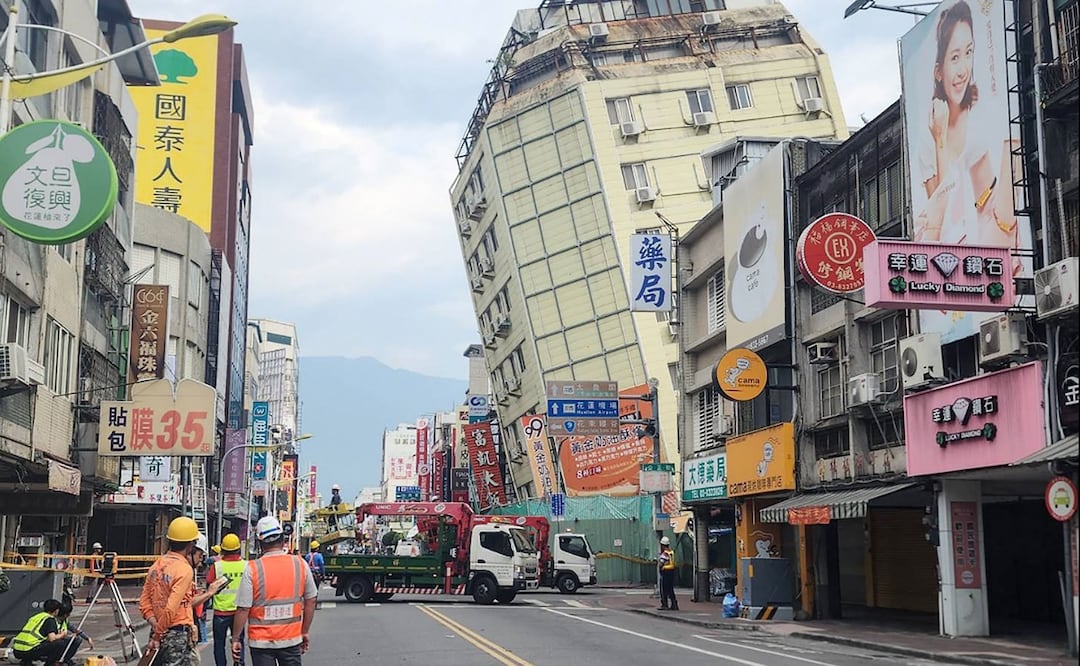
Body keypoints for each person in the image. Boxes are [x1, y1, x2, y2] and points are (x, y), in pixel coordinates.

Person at [232, 517, 318, 666]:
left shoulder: (252, 568)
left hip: (261, 643)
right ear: (282, 539)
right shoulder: (300, 564)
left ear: (260, 543)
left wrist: (235, 638)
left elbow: (243, 609)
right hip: (291, 639)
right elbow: (311, 600)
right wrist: (304, 631)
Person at [138, 517, 224, 666]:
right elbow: (171, 608)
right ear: (191, 544)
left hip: (161, 629)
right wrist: (158, 636)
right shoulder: (183, 570)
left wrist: (156, 626)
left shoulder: (156, 566)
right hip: (176, 635)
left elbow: (144, 603)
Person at [207, 533, 247, 666]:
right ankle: (239, 663)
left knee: (219, 645)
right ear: (238, 549)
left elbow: (209, 586)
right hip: (239, 613)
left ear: (223, 549)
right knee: (239, 641)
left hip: (221, 613)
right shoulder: (246, 566)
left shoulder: (217, 566)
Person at [11, 598, 70, 665]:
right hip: (29, 649)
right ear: (56, 610)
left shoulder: (36, 616)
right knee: (60, 643)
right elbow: (52, 638)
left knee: (41, 643)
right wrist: (62, 635)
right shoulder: (50, 619)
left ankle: (26, 661)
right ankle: (49, 664)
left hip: (17, 650)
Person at [657, 536, 679, 611]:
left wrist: (660, 567)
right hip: (672, 572)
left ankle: (664, 604)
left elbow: (661, 564)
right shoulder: (671, 552)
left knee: (664, 589)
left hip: (666, 572)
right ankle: (674, 604)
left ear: (663, 545)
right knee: (670, 589)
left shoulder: (664, 554)